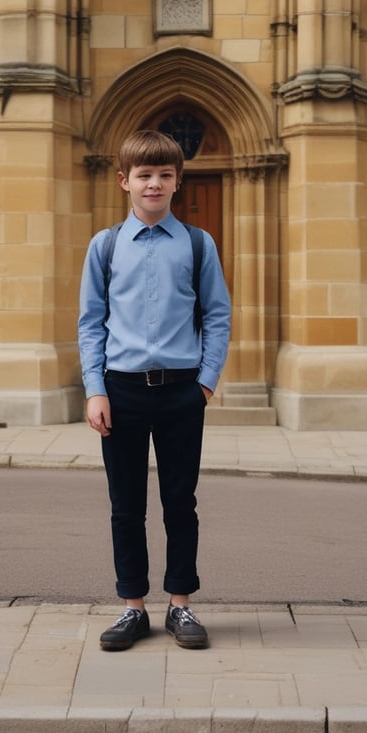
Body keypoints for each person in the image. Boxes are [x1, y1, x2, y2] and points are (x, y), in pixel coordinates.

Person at [78, 129, 231, 651]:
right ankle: (133, 607)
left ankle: (180, 605)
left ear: (177, 181)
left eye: (165, 175)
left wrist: (205, 383)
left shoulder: (197, 244)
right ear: (125, 181)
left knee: (179, 503)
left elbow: (217, 315)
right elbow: (90, 322)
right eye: (144, 175)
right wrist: (95, 389)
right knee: (126, 506)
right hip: (120, 391)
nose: (154, 184)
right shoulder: (104, 246)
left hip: (181, 392)